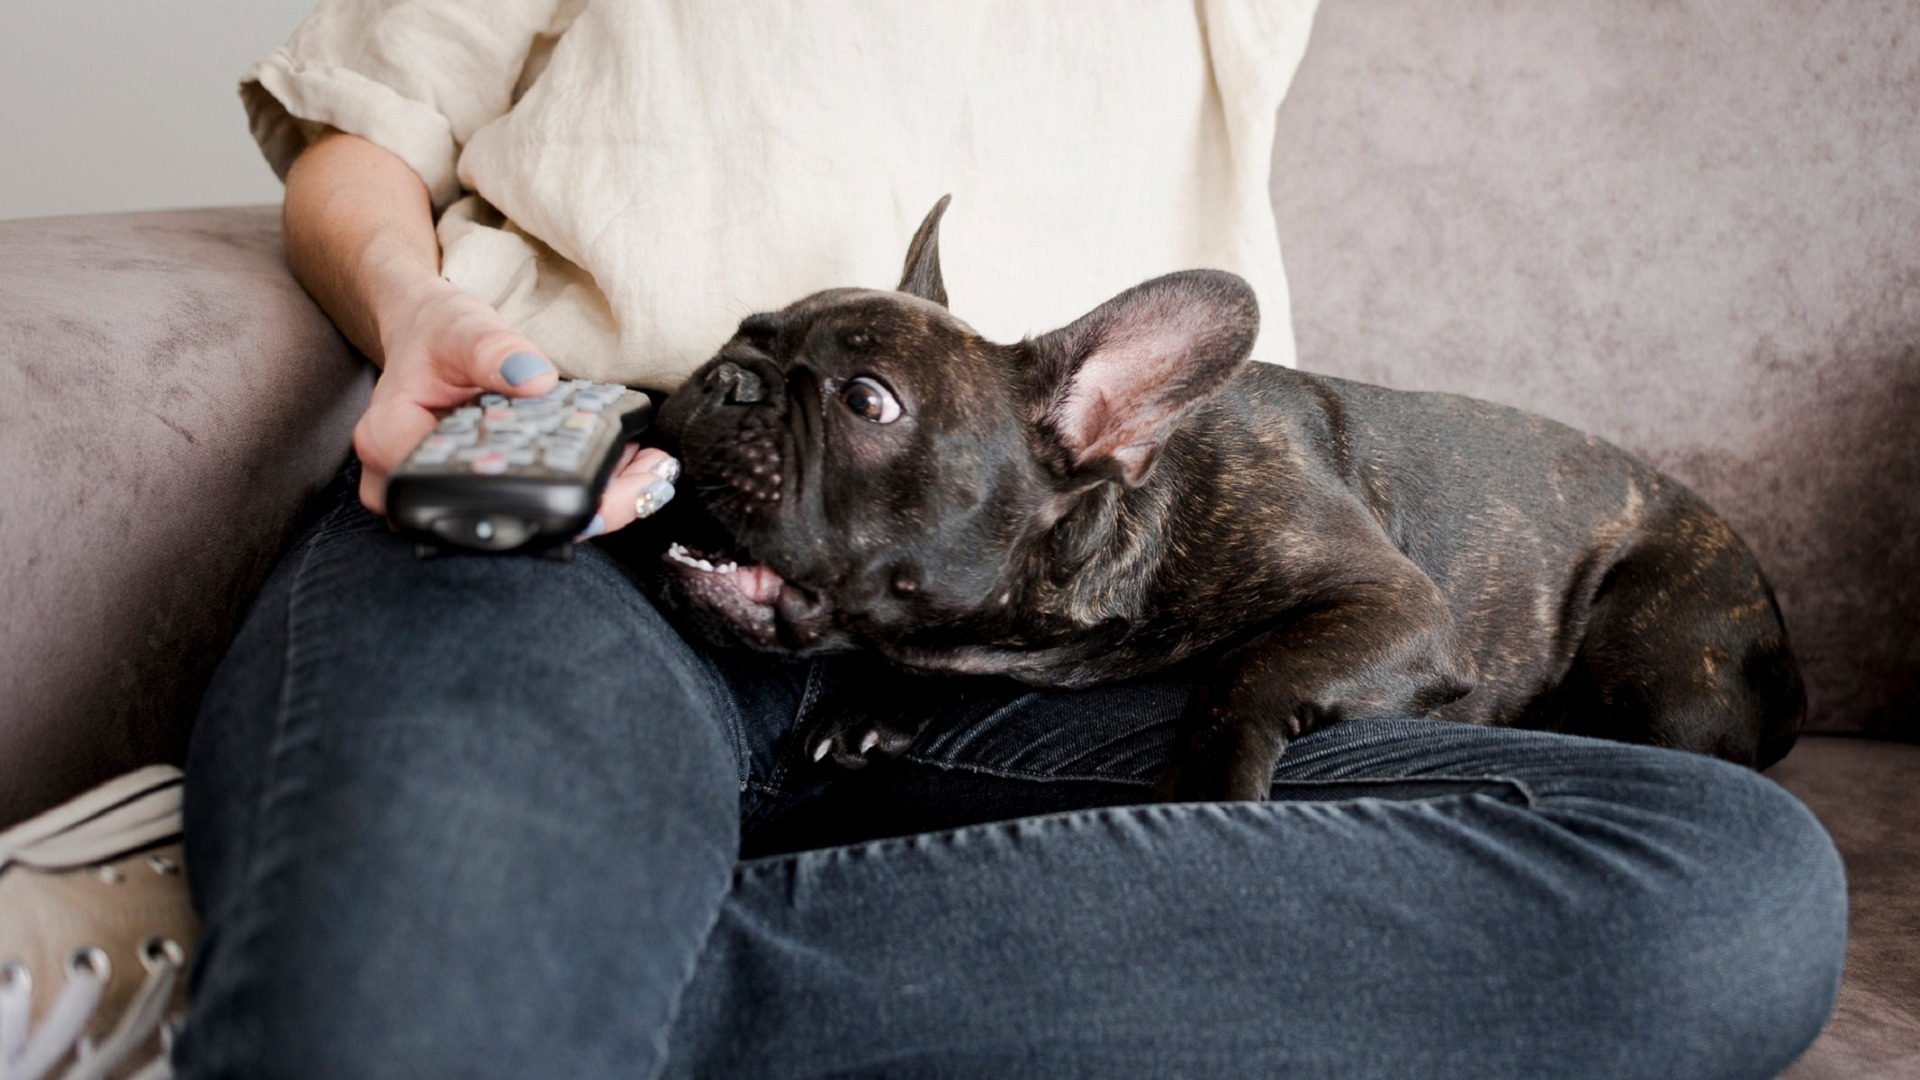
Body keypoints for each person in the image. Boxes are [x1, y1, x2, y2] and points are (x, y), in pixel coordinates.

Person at [177, 3, 1847, 1077]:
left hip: (1034, 665)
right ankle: (536, 949)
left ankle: (565, 961)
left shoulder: (1158, 468)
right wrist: (415, 314)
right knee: (398, 1022)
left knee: (1732, 895)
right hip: (591, 519)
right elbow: (360, 135)